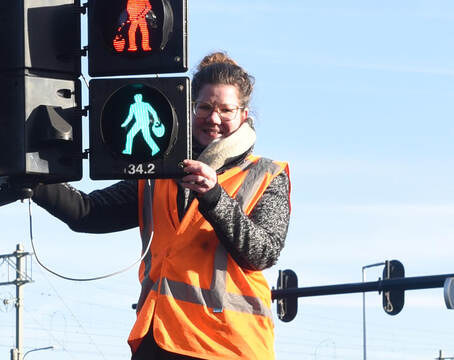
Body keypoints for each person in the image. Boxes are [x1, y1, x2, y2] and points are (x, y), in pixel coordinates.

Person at [32, 52, 291, 360]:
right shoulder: (159, 174)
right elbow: (88, 212)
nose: (214, 118)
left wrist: (213, 196)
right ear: (189, 109)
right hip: (159, 339)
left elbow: (263, 252)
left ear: (244, 115)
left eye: (226, 110)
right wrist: (27, 177)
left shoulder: (265, 175)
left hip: (228, 345)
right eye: (205, 107)